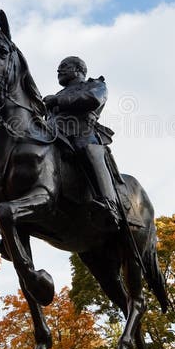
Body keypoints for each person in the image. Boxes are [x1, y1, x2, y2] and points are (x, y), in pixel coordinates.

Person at [44, 56, 120, 227]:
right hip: (55, 134)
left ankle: (109, 204)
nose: (59, 70)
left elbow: (92, 100)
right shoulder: (56, 95)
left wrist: (57, 101)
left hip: (82, 131)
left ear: (79, 69)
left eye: (64, 66)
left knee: (88, 150)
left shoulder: (95, 85)